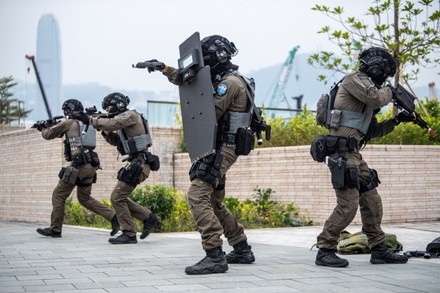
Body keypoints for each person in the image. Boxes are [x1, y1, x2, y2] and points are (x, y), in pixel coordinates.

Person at [145, 34, 258, 274]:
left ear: (218, 56)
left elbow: (207, 112)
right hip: (218, 145)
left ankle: (215, 255)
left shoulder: (230, 83)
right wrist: (165, 69)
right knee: (214, 201)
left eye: (206, 57)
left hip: (223, 148)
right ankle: (241, 248)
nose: (203, 63)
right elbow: (193, 83)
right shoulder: (224, 78)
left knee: (197, 196)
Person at [314, 47, 413, 267]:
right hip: (340, 152)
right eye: (385, 73)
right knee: (347, 205)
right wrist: (393, 93)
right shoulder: (354, 81)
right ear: (376, 67)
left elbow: (372, 132)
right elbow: (377, 98)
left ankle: (379, 249)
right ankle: (325, 249)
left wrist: (396, 121)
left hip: (354, 153)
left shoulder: (366, 96)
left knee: (371, 199)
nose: (385, 78)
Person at [35, 99, 120, 238]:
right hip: (92, 165)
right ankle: (114, 217)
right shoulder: (89, 122)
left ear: (67, 111)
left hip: (78, 166)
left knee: (58, 195)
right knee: (84, 198)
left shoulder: (68, 123)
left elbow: (48, 135)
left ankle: (55, 229)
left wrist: (43, 128)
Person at [86, 92, 160, 244]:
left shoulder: (130, 116)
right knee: (120, 197)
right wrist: (106, 132)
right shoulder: (124, 121)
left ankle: (129, 233)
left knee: (116, 198)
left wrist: (92, 120)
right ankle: (148, 218)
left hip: (140, 164)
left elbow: (114, 123)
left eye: (109, 108)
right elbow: (116, 141)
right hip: (136, 164)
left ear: (118, 105)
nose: (108, 112)